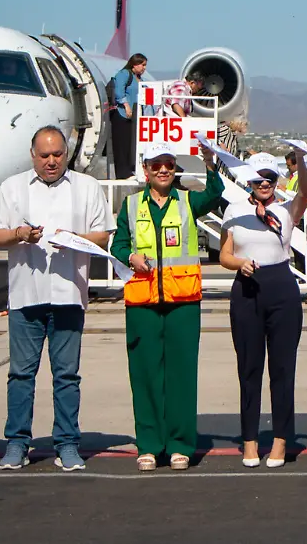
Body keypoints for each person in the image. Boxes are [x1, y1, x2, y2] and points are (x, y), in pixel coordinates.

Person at [0, 126, 117, 472]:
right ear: (33, 155)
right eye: (44, 155)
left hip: (68, 296)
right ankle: (17, 443)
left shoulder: (86, 188)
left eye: (57, 154)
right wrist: (19, 234)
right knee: (21, 374)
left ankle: (68, 443)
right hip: (25, 297)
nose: (51, 161)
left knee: (67, 375)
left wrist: (75, 238)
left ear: (67, 153)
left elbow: (103, 235)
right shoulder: (12, 188)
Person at [110, 141, 225, 471]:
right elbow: (118, 244)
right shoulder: (131, 206)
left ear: (175, 169)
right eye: (156, 164)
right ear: (145, 170)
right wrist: (129, 256)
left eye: (169, 164)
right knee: (145, 374)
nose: (163, 169)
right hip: (143, 302)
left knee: (181, 376)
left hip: (183, 302)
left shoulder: (188, 201)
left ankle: (179, 445)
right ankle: (148, 445)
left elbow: (215, 194)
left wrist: (211, 164)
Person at [219, 152, 307, 468]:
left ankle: (281, 440)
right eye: (259, 179)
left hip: (281, 290)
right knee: (249, 369)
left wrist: (302, 161)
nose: (264, 184)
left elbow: (306, 192)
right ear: (250, 180)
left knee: (282, 370)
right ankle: (249, 440)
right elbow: (224, 254)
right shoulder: (235, 210)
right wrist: (239, 264)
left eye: (270, 179)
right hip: (247, 289)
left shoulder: (286, 211)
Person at [109, 54, 147, 179]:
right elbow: (119, 90)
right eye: (142, 65)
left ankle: (130, 169)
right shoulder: (124, 74)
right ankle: (122, 172)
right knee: (121, 144)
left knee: (130, 143)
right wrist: (126, 105)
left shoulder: (139, 78)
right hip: (122, 114)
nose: (144, 68)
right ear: (134, 64)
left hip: (134, 115)